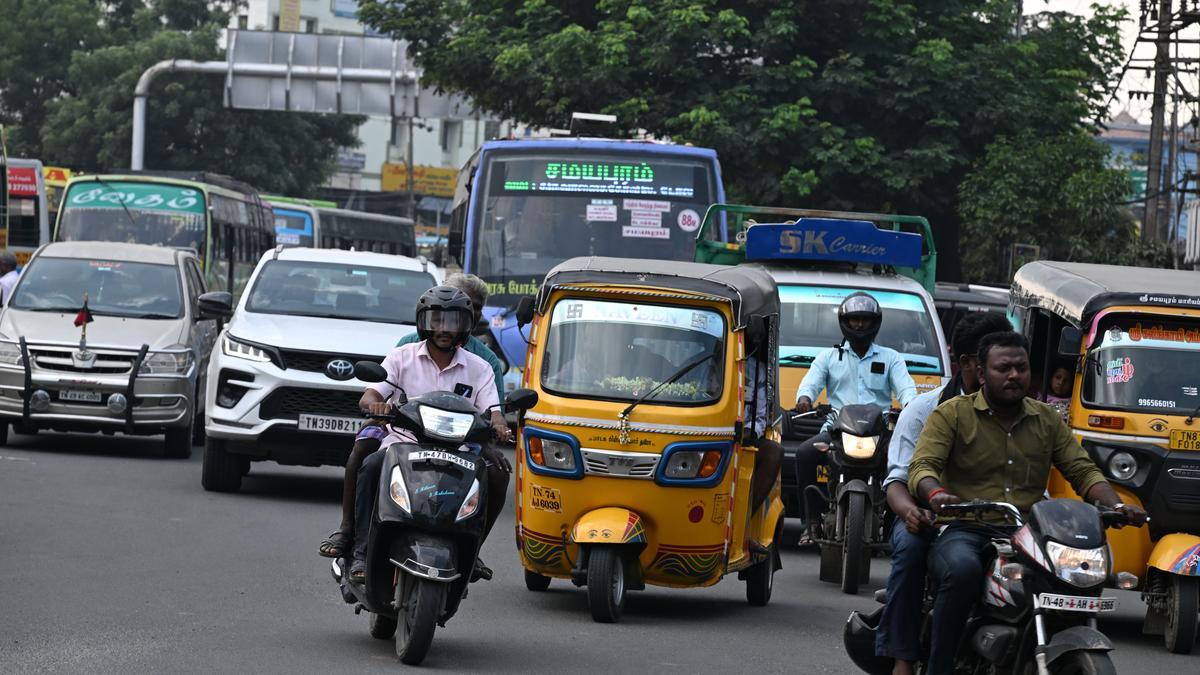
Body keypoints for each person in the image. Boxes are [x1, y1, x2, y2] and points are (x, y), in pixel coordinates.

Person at [907, 331, 1147, 675]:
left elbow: (1081, 469)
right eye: (1003, 368)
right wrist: (935, 493)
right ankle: (940, 667)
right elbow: (922, 466)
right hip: (967, 528)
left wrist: (1115, 504)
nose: (1014, 375)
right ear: (981, 372)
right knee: (962, 571)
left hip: (1028, 532)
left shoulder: (1046, 418)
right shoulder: (953, 414)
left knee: (1074, 575)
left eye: (1021, 367)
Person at [318, 274, 509, 560]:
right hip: (403, 440)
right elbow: (371, 395)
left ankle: (471, 551)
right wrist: (378, 407)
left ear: (466, 324)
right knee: (370, 464)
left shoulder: (481, 366)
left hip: (459, 448)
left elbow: (494, 411)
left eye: (453, 320)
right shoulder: (403, 354)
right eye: (437, 320)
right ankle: (359, 550)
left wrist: (498, 424)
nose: (444, 328)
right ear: (424, 322)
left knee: (497, 473)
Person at [874, 312, 1012, 675]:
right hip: (928, 518)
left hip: (997, 521)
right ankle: (903, 656)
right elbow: (898, 480)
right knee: (912, 548)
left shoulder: (1028, 416)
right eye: (999, 362)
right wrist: (911, 512)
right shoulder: (924, 410)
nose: (1011, 373)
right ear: (971, 364)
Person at [793, 292, 917, 538]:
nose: (859, 324)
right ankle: (812, 523)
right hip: (837, 432)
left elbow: (906, 389)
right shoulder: (828, 357)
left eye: (865, 319)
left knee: (907, 464)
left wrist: (911, 405)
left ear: (875, 322)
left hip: (879, 435)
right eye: (854, 319)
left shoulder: (891, 358)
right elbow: (810, 384)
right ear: (844, 322)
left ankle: (894, 525)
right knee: (804, 454)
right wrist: (804, 399)